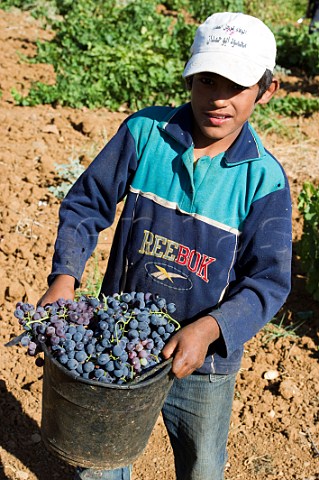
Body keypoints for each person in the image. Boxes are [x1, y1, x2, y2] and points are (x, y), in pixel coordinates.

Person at [39, 11, 292, 480]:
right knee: (102, 460)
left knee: (202, 465)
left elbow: (268, 282)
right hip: (119, 344)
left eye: (235, 86)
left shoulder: (264, 181)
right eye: (207, 81)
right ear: (191, 77)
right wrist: (64, 276)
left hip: (204, 362)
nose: (217, 99)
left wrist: (210, 330)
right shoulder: (144, 135)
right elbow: (84, 205)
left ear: (266, 89)